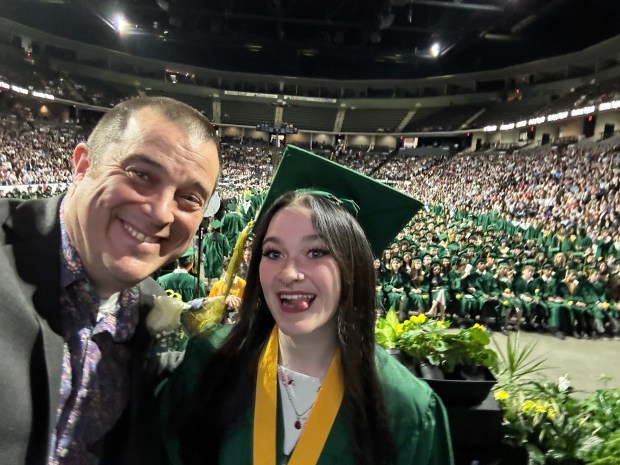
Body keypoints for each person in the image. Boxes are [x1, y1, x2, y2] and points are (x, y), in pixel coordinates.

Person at [156, 146, 453, 465]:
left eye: (316, 252)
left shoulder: (404, 406)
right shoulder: (210, 363)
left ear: (353, 265)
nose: (289, 273)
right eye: (273, 253)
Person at [0, 96, 221, 465]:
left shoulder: (154, 316)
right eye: (141, 174)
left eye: (189, 198)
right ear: (84, 165)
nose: (160, 212)